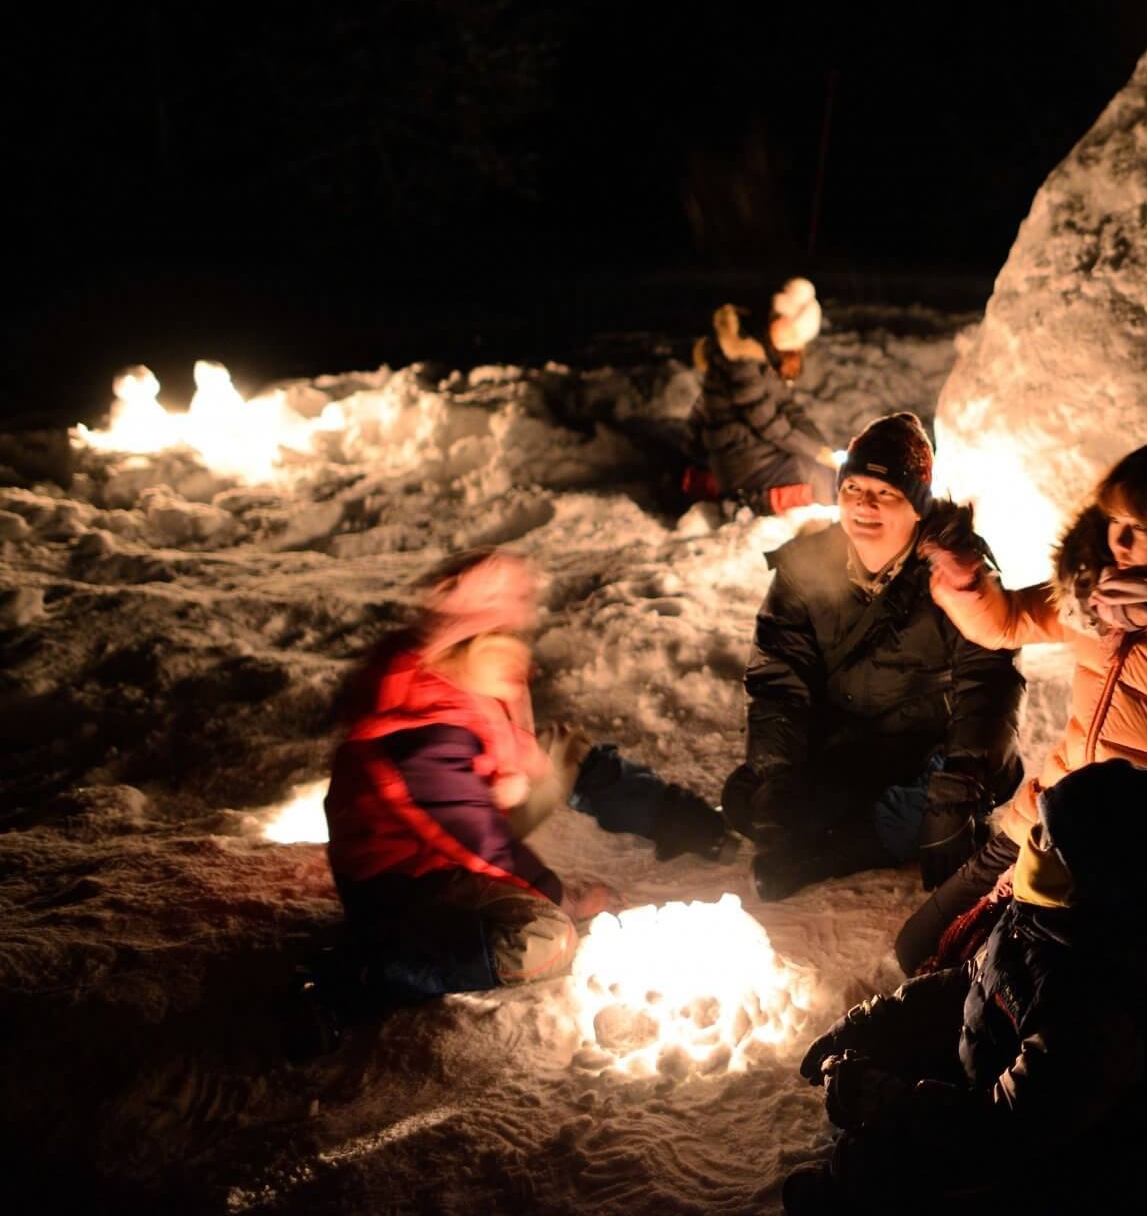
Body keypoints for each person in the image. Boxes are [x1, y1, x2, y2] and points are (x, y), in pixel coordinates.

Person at [897, 439, 1147, 975]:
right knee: (922, 949)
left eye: (1141, 527)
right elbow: (1008, 621)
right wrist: (965, 576)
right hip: (1053, 818)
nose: (1119, 539)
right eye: (1114, 520)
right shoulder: (1100, 595)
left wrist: (1095, 860)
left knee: (1012, 992)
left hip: (1143, 862)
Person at [297, 550, 724, 1047]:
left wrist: (544, 768)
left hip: (457, 834)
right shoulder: (422, 735)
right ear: (457, 643)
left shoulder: (472, 682)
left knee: (565, 752)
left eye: (514, 635)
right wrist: (564, 897)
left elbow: (519, 758)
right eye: (496, 638)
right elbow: (483, 843)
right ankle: (356, 976)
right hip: (406, 881)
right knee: (544, 940)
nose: (515, 654)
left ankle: (687, 822)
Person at [784, 759, 1147, 1216]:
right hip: (1038, 1098)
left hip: (1103, 1163)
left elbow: (1003, 1133)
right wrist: (868, 1024)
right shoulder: (1057, 913)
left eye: (1049, 839)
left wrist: (887, 1101)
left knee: (895, 1154)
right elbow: (976, 982)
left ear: (1095, 874)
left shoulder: (1102, 1009)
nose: (1032, 844)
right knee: (897, 1066)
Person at [722, 412, 1025, 902]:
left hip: (928, 751)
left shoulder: (954, 570)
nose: (865, 504)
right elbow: (780, 678)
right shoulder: (804, 570)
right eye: (853, 489)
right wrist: (777, 775)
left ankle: (824, 856)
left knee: (923, 814)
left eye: (885, 493)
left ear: (917, 506)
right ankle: (851, 830)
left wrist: (962, 780)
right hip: (850, 746)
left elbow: (989, 684)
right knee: (746, 799)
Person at [690, 278, 841, 513]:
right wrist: (815, 453)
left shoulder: (762, 353)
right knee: (817, 476)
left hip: (753, 452)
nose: (791, 341)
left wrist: (821, 447)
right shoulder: (742, 360)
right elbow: (767, 422)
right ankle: (748, 503)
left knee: (827, 470)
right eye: (787, 328)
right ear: (774, 317)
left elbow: (788, 407)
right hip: (742, 464)